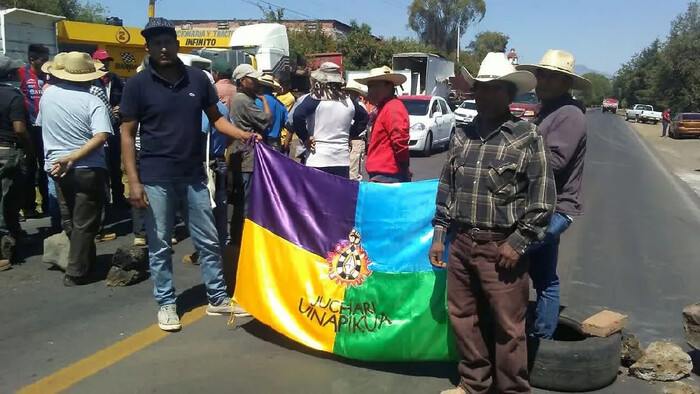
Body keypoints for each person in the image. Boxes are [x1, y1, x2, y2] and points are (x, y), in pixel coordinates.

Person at [119, 18, 258, 331]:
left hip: (194, 174)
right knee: (160, 245)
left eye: (168, 41)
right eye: (156, 43)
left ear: (177, 44)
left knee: (209, 239)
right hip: (156, 176)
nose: (163, 48)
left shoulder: (197, 79)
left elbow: (216, 120)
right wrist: (134, 182)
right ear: (148, 48)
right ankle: (166, 303)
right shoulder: (137, 84)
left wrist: (243, 135)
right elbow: (127, 134)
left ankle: (218, 298)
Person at [429, 52, 555, 394]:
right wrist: (440, 235)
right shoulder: (462, 135)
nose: (484, 95)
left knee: (509, 328)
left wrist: (516, 244)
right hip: (462, 244)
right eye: (480, 89)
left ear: (509, 94)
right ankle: (474, 383)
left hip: (501, 251)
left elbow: (542, 202)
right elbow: (447, 188)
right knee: (463, 318)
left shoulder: (527, 137)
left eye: (493, 89)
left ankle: (512, 389)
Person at [517, 49, 589, 340]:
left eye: (552, 76)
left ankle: (523, 334)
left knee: (510, 258)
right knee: (546, 277)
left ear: (566, 83)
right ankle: (542, 335)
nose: (543, 81)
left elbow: (556, 162)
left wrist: (514, 158)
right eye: (541, 74)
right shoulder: (546, 110)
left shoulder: (569, 114)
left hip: (555, 208)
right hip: (541, 206)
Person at [37, 52, 113, 286]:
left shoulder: (47, 97)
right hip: (87, 167)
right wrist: (73, 157)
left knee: (70, 218)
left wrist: (64, 158)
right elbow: (101, 136)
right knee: (85, 222)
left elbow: (41, 125)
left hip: (57, 167)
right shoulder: (93, 101)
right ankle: (76, 271)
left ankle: (84, 258)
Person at [182, 70, 231, 266]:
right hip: (219, 161)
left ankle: (205, 253)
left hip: (204, 163)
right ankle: (222, 249)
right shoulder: (222, 107)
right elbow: (229, 134)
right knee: (220, 208)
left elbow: (200, 135)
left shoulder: (201, 109)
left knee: (202, 211)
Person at [292, 62, 368, 178]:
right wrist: (350, 135)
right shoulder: (349, 101)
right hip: (342, 159)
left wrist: (305, 137)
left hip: (317, 157)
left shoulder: (315, 98)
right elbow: (364, 118)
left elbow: (298, 116)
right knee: (337, 195)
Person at [228, 63, 270, 246]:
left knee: (243, 201)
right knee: (247, 201)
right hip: (247, 156)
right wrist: (265, 101)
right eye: (252, 79)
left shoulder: (241, 99)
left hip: (241, 154)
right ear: (242, 81)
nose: (256, 82)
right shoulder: (244, 100)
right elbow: (266, 120)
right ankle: (244, 240)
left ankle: (239, 238)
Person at [0, 55, 32, 271]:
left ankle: (15, 235)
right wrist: (30, 149)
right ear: (10, 74)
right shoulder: (14, 96)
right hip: (7, 151)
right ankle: (4, 251)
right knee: (7, 200)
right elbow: (20, 128)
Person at [356, 66, 411, 183]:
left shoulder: (393, 107)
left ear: (388, 86)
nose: (370, 90)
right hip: (384, 174)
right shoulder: (384, 108)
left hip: (387, 175)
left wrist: (405, 169)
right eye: (369, 86)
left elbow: (399, 141)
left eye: (374, 86)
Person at [18, 44, 50, 218]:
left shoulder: (48, 76)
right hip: (28, 127)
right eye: (42, 60)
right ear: (32, 60)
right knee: (29, 168)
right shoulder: (21, 73)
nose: (46, 62)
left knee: (47, 166)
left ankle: (48, 205)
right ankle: (29, 206)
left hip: (46, 127)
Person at [93, 49, 127, 207]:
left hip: (113, 127)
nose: (105, 64)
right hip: (96, 129)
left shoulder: (116, 80)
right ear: (94, 62)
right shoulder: (91, 81)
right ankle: (104, 201)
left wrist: (120, 107)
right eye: (102, 61)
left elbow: (125, 98)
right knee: (102, 167)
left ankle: (119, 198)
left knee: (115, 165)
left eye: (107, 61)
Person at [343, 82, 370, 181]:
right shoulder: (347, 105)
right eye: (349, 92)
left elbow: (362, 122)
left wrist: (352, 134)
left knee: (354, 171)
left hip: (356, 140)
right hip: (349, 139)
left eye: (353, 92)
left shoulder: (359, 106)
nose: (350, 94)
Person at [256, 74, 288, 152]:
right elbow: (289, 124)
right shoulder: (280, 105)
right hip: (275, 142)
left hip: (260, 140)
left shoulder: (255, 102)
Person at [275, 79, 296, 155]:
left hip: (283, 137)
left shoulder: (289, 98)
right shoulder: (276, 94)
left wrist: (287, 140)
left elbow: (279, 114)